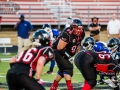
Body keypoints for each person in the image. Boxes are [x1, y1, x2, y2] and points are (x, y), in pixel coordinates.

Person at [50, 19, 85, 90]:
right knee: (68, 68)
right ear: (72, 27)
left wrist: (79, 54)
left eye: (80, 28)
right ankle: (70, 87)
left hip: (66, 51)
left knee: (63, 70)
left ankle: (54, 86)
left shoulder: (82, 33)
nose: (79, 30)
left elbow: (78, 44)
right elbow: (60, 48)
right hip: (57, 51)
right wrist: (69, 57)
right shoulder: (67, 33)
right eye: (77, 28)